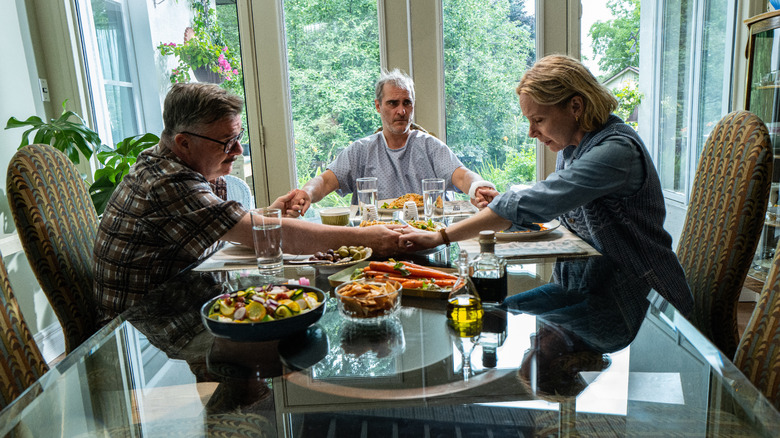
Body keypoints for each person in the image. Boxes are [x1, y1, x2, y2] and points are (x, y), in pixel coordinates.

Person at [399, 55, 694, 315]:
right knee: (495, 310)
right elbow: (547, 203)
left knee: (491, 313)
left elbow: (538, 201)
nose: (531, 132)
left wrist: (441, 237)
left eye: (538, 119)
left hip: (645, 302)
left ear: (575, 106)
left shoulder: (616, 152)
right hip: (594, 287)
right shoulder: (573, 149)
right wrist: (504, 204)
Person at [93, 83, 404, 322]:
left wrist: (267, 214)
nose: (239, 149)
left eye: (239, 136)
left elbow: (228, 226)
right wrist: (366, 238)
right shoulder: (167, 181)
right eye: (227, 141)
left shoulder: (181, 163)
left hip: (181, 301)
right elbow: (281, 235)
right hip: (148, 327)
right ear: (184, 142)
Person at [291, 69, 496, 215]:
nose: (401, 111)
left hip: (426, 237)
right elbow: (326, 181)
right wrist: (306, 193)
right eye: (393, 103)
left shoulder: (430, 146)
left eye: (407, 103)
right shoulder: (360, 150)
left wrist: (478, 186)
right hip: (375, 240)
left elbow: (462, 175)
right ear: (378, 106)